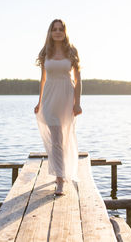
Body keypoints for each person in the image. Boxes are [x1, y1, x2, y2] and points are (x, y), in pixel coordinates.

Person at [34, 19, 82, 195]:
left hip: (66, 97)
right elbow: (43, 79)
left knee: (64, 138)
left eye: (61, 29)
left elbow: (78, 80)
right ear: (50, 32)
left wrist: (77, 103)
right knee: (56, 139)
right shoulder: (45, 52)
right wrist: (39, 102)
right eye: (54, 29)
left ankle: (62, 171)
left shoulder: (72, 51)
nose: (57, 32)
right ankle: (60, 180)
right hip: (49, 98)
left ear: (65, 32)